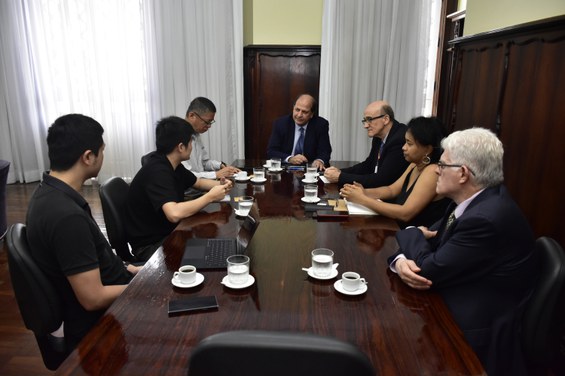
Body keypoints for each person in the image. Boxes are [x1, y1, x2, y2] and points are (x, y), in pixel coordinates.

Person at [387, 127, 539, 376]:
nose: (436, 169)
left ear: (462, 174)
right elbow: (428, 245)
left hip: (477, 329)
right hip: (462, 293)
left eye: (443, 164)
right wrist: (401, 259)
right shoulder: (469, 201)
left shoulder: (485, 218)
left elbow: (426, 270)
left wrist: (410, 234)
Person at [26, 114, 141, 349]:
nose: (103, 156)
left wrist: (132, 270)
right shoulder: (65, 216)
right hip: (105, 323)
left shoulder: (48, 194)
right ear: (88, 157)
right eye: (102, 150)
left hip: (117, 291)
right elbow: (93, 298)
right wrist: (145, 286)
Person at [126, 116, 233, 261]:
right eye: (190, 142)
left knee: (217, 250)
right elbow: (174, 213)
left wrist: (222, 185)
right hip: (151, 245)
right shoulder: (157, 171)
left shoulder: (172, 164)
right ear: (181, 147)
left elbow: (199, 183)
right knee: (213, 256)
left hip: (170, 232)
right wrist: (210, 197)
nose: (191, 147)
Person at [340, 117, 451, 228]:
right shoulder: (414, 164)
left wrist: (362, 199)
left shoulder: (433, 171)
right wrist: (363, 192)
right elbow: (391, 190)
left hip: (417, 238)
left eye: (409, 143)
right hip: (399, 228)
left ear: (427, 149)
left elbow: (405, 213)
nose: (404, 147)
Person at [324, 100, 408, 187]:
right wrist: (340, 172)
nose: (366, 126)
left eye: (370, 120)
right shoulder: (378, 136)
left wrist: (341, 177)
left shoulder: (399, 139)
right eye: (365, 120)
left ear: (385, 119)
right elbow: (369, 165)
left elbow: (382, 179)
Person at [266, 94, 332, 169]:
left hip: (310, 169)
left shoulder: (320, 125)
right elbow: (271, 151)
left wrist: (319, 160)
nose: (299, 115)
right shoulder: (281, 124)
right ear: (293, 108)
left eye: (304, 112)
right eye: (297, 110)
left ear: (311, 114)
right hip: (286, 168)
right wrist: (290, 158)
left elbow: (325, 151)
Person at [183, 97, 240, 179]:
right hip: (188, 190)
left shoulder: (196, 134)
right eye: (207, 122)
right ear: (192, 115)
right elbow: (185, 175)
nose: (209, 126)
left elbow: (204, 163)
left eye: (211, 122)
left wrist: (221, 166)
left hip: (201, 186)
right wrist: (216, 174)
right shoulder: (177, 136)